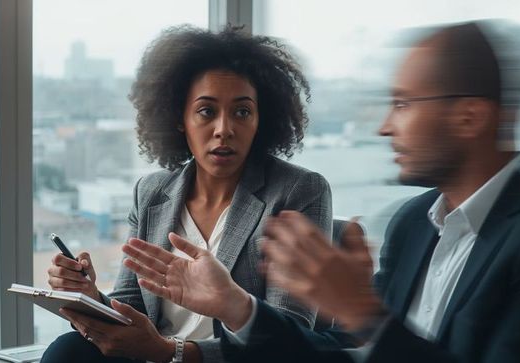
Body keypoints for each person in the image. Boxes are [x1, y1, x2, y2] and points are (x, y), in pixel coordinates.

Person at [120, 21, 520, 363]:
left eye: (402, 104)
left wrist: (362, 311)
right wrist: (236, 307)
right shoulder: (412, 224)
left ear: (469, 117)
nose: (384, 127)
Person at [41, 25, 332, 363]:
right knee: (67, 349)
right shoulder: (151, 192)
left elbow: (289, 335)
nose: (224, 129)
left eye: (242, 112)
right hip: (153, 355)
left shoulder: (298, 191)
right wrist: (87, 294)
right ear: (180, 118)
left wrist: (172, 352)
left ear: (260, 120)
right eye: (207, 111)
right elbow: (131, 309)